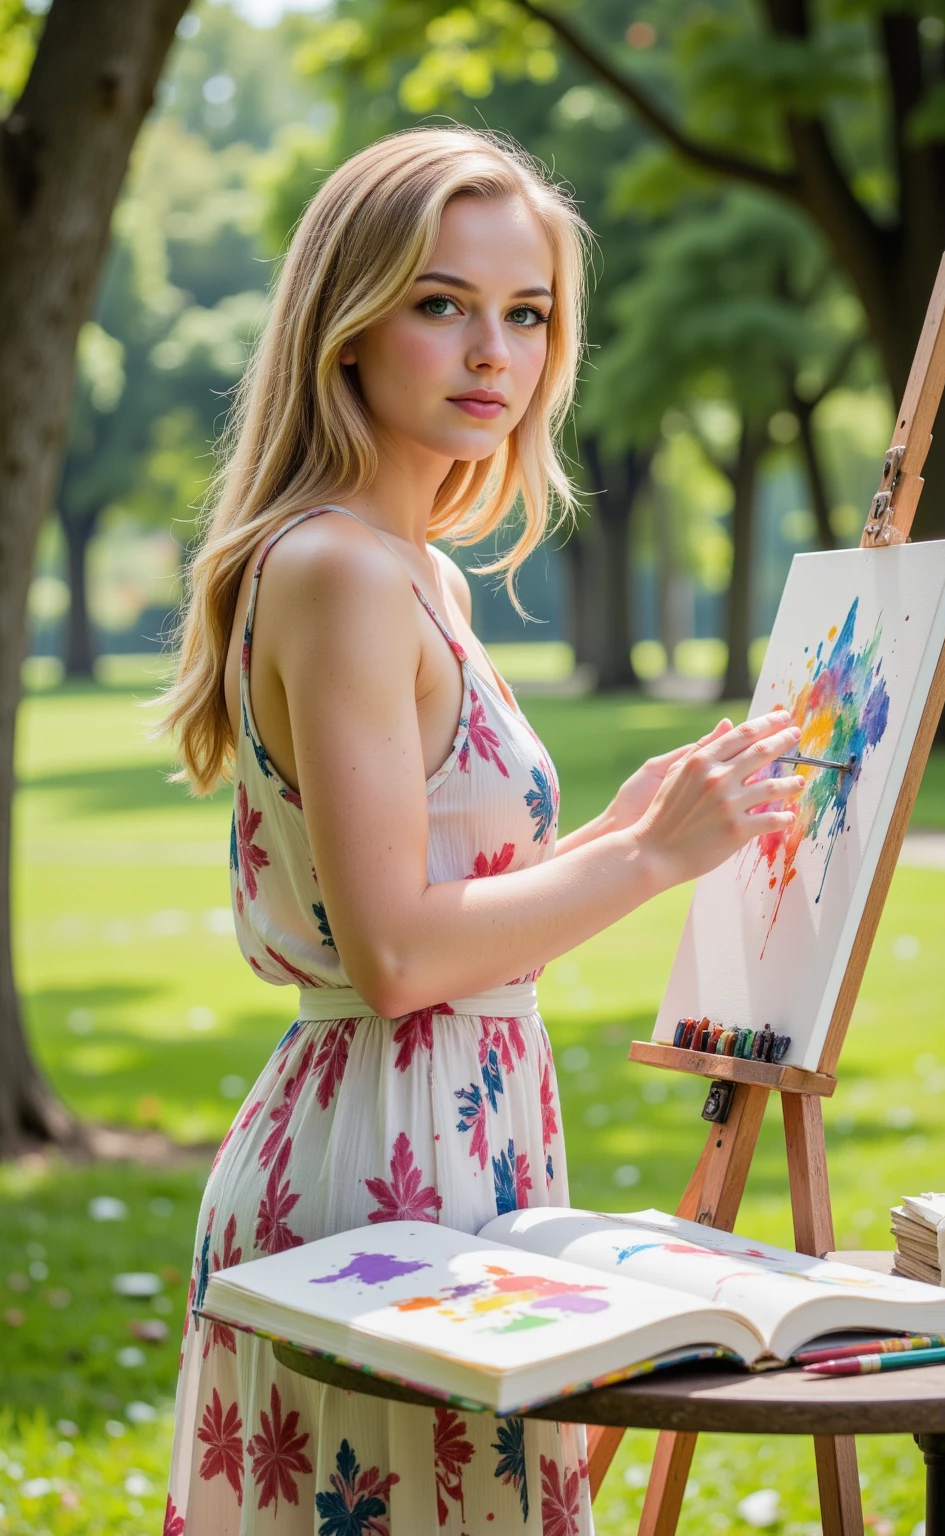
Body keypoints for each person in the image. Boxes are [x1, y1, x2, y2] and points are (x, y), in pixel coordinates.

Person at [158, 126, 803, 1536]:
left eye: (527, 314)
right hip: (379, 1167)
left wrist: (612, 832)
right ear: (346, 324)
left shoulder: (417, 570)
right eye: (442, 303)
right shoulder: (338, 567)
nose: (491, 354)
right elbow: (395, 957)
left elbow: (448, 900)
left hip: (465, 1132)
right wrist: (646, 859)